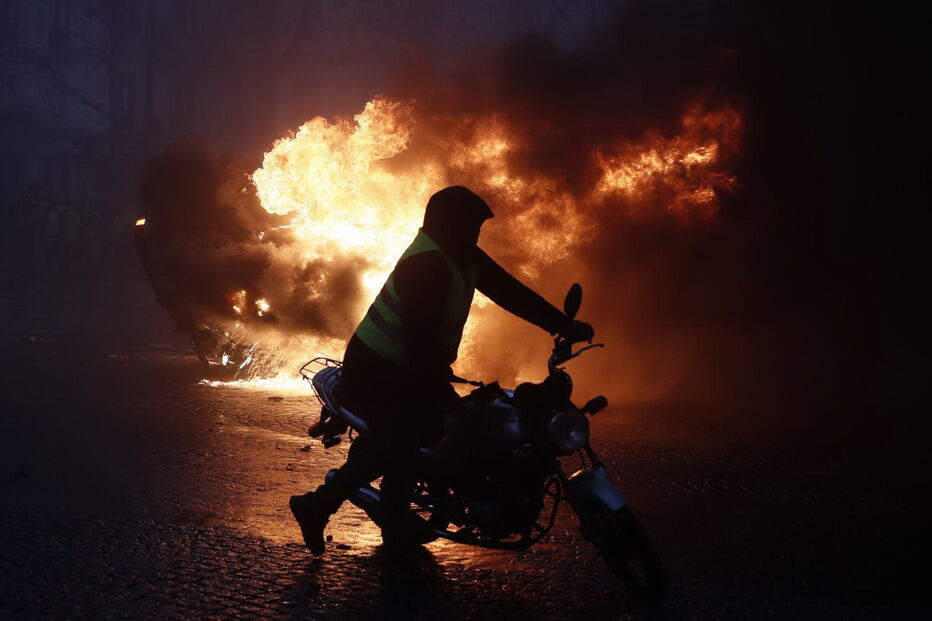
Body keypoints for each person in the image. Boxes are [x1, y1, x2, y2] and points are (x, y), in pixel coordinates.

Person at [290, 186, 594, 554]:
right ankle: (333, 515)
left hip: (411, 367)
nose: (475, 234)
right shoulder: (427, 265)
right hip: (377, 371)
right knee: (400, 445)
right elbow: (421, 345)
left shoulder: (462, 255)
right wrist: (443, 394)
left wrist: (559, 324)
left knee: (454, 435)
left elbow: (508, 291)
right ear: (449, 225)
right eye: (470, 226)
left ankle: (346, 506)